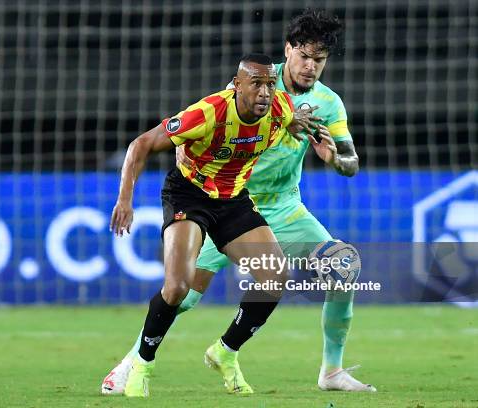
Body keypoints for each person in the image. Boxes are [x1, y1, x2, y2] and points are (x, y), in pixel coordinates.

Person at [103, 9, 377, 395]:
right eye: (305, 56)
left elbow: (351, 162)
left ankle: (330, 371)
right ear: (289, 50)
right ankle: (130, 364)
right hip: (226, 200)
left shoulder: (328, 104)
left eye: (320, 60)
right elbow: (203, 127)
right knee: (180, 294)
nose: (311, 67)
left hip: (284, 208)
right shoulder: (257, 84)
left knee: (343, 269)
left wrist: (334, 159)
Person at [109, 53, 320, 397]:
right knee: (178, 288)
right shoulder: (208, 113)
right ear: (237, 86)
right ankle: (142, 364)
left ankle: (226, 351)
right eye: (256, 84)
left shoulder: (280, 108)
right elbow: (141, 144)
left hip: (233, 199)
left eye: (270, 83)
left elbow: (288, 118)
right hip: (189, 195)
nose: (265, 92)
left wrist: (295, 123)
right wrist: (124, 199)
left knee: (275, 276)